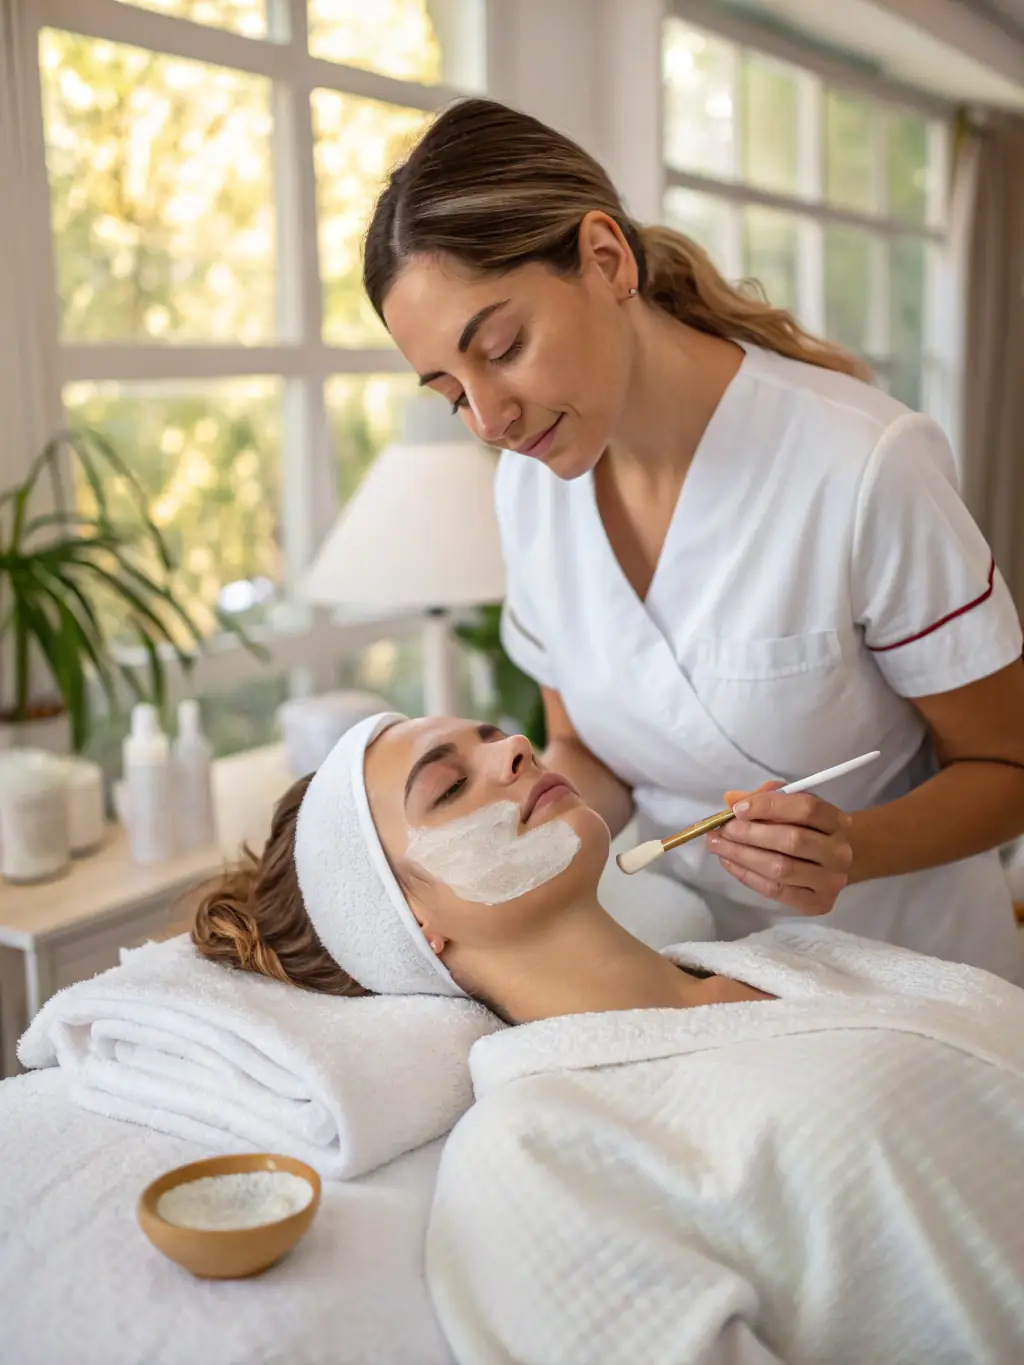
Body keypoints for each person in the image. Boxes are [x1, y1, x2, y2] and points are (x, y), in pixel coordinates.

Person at [361, 97, 1024, 980]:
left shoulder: (862, 465)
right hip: (700, 967)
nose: (489, 419)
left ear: (606, 258)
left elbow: (1007, 761)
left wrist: (850, 846)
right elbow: (588, 755)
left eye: (506, 346)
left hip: (916, 973)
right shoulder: (531, 489)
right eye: (449, 391)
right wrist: (483, 855)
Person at [192, 713, 1024, 1365]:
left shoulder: (786, 957)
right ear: (415, 922)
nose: (514, 748)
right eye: (449, 787)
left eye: (491, 734)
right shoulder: (532, 1154)